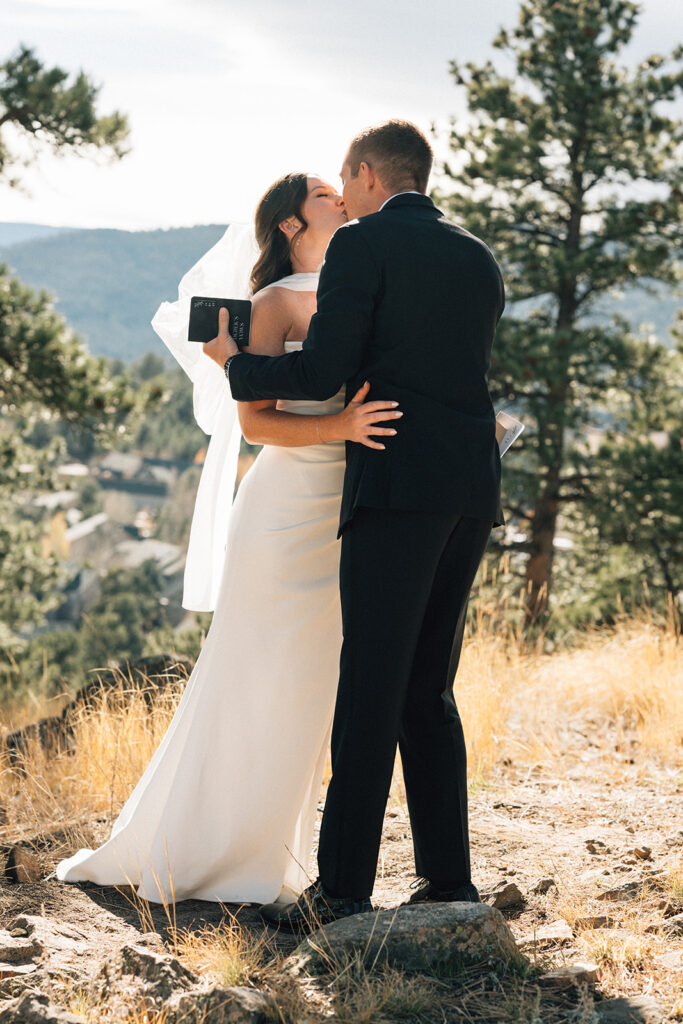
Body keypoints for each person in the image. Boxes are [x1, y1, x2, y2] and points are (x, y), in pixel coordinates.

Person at [55, 172, 401, 905]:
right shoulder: (275, 303)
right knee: (252, 675)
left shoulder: (360, 288)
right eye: (320, 192)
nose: (339, 195)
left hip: (347, 511)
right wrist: (338, 427)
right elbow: (256, 422)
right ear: (287, 224)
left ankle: (272, 854)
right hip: (282, 510)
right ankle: (204, 850)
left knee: (311, 690)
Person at [203, 119, 506, 930]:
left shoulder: (361, 248)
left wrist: (237, 365)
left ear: (369, 175)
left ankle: (340, 890)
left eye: (349, 181)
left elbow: (325, 368)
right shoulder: (477, 255)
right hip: (470, 488)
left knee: (370, 685)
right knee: (427, 691)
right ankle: (449, 882)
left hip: (395, 485)